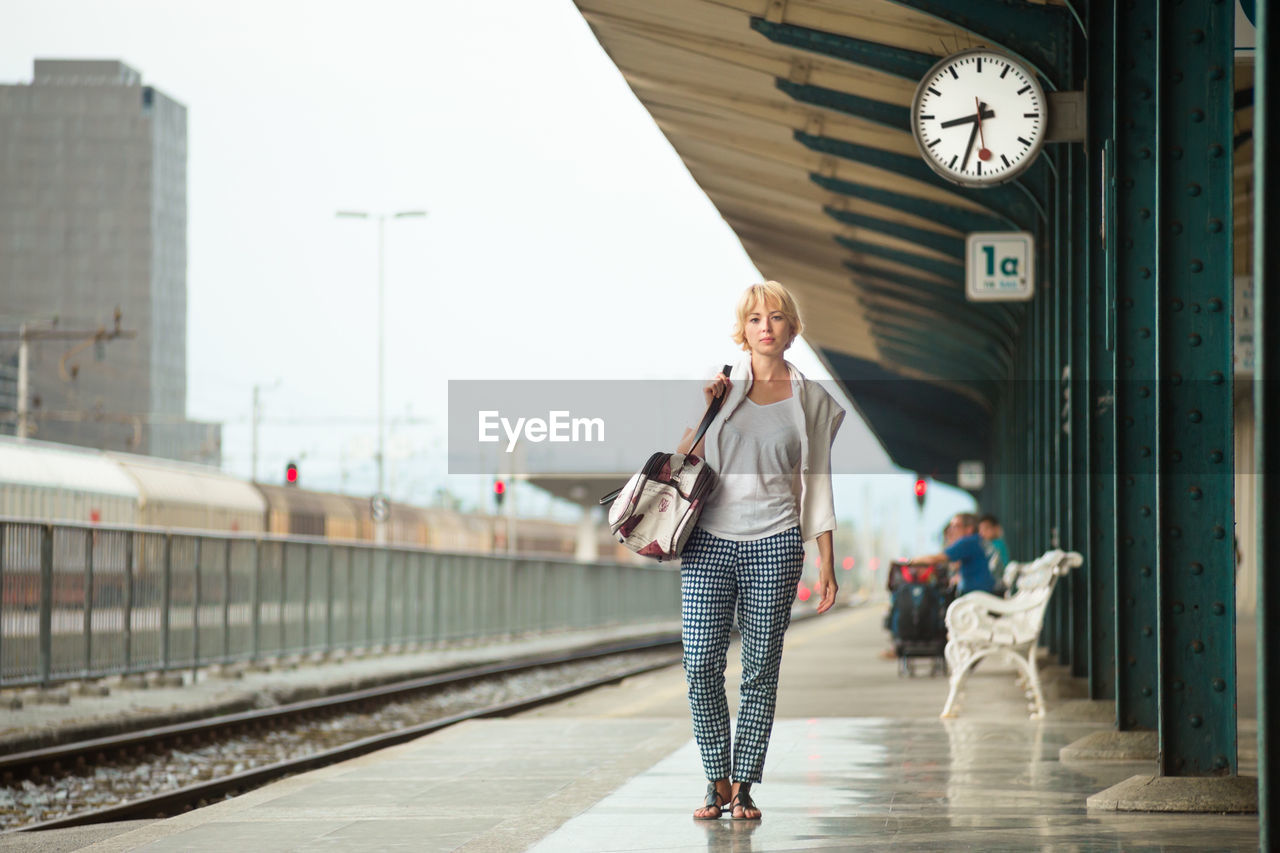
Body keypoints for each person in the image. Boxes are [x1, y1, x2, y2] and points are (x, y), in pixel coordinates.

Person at [675, 281, 845, 821]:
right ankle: (715, 777)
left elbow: (817, 481)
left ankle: (743, 786)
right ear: (742, 330)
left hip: (775, 543)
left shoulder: (811, 400)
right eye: (754, 319)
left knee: (759, 669)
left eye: (775, 317)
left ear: (792, 330)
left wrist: (827, 562)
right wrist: (707, 412)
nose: (765, 326)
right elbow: (684, 461)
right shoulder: (722, 387)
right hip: (708, 541)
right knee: (701, 663)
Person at [904, 513, 995, 596]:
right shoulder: (977, 541)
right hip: (983, 593)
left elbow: (938, 558)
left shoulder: (967, 542)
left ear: (969, 529)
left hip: (976, 597)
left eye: (955, 526)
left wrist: (911, 561)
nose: (951, 530)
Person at [978, 513, 1010, 580]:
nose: (982, 532)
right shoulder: (994, 543)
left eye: (986, 528)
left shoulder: (996, 544)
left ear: (996, 528)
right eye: (980, 530)